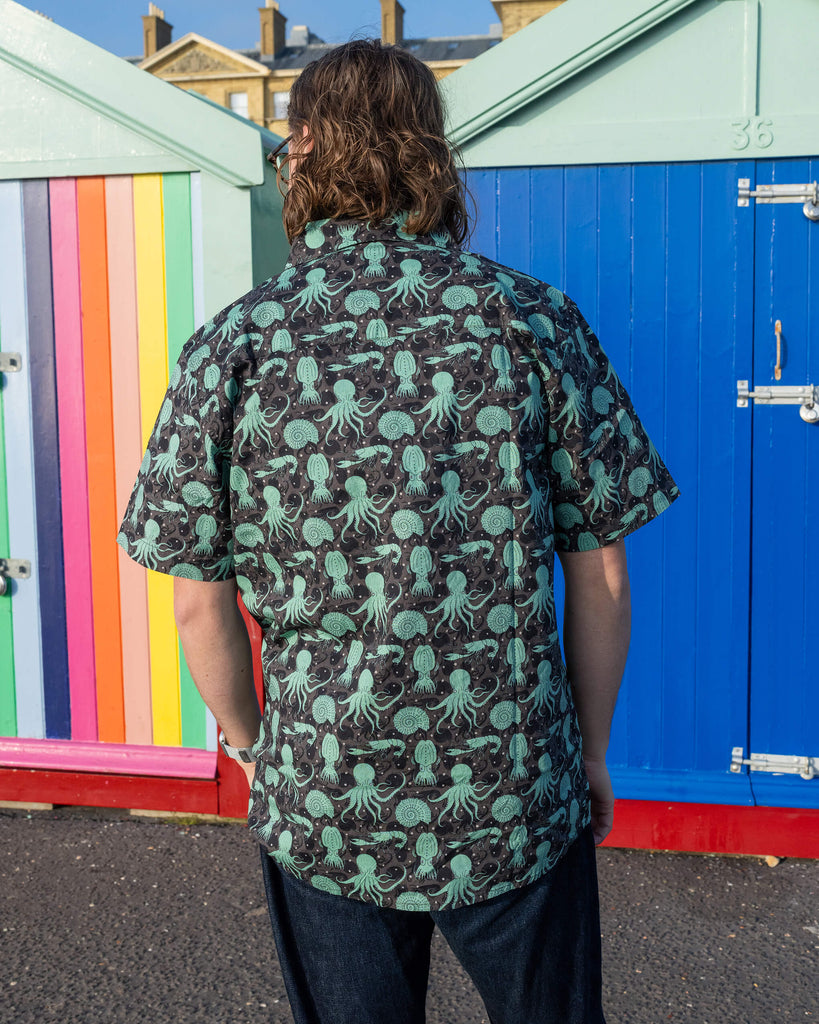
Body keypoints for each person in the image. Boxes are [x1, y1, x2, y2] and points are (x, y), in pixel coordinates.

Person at [118, 39, 679, 1024]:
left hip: (325, 795)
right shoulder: (533, 321)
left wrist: (254, 751)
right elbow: (605, 577)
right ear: (433, 154)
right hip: (515, 788)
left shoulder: (234, 345)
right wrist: (589, 752)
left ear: (300, 150)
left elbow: (198, 605)